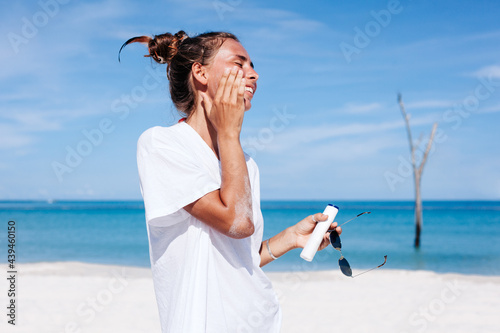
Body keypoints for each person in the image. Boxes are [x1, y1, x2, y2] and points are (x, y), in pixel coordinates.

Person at [119, 30, 342, 333]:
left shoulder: (245, 162)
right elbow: (235, 221)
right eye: (240, 64)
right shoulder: (161, 145)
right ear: (200, 73)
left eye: (252, 66)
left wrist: (289, 238)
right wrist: (228, 133)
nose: (254, 74)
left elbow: (240, 256)